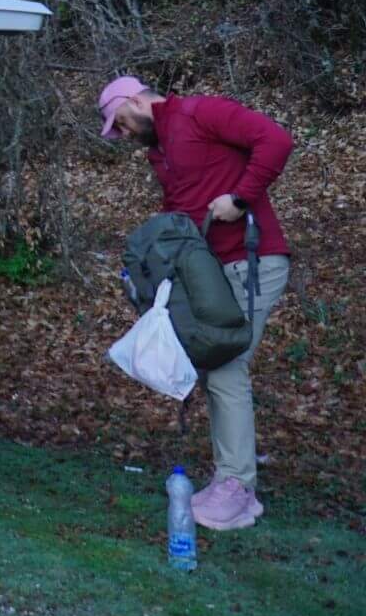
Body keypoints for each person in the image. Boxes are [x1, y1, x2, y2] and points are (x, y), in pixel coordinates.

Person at [97, 75, 294, 530]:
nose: (121, 133)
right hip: (212, 274)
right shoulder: (160, 150)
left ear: (133, 101)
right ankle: (232, 480)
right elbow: (181, 212)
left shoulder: (199, 113)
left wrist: (242, 199)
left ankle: (238, 489)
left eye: (119, 122)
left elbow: (276, 140)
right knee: (213, 367)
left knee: (225, 364)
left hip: (252, 263)